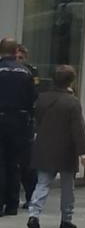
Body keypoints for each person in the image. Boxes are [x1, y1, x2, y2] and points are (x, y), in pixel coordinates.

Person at [26, 65, 85, 228]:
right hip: (66, 148)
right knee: (68, 186)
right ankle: (66, 219)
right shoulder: (72, 102)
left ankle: (34, 214)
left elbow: (37, 120)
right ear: (71, 81)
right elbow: (78, 129)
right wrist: (83, 151)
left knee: (42, 183)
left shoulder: (42, 98)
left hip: (45, 146)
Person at [0, 37, 37, 216]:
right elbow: (32, 99)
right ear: (16, 52)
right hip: (19, 121)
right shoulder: (25, 72)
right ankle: (13, 204)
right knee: (14, 162)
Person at [15, 44, 38, 209]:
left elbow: (34, 95)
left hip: (25, 123)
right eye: (16, 57)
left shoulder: (30, 72)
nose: (18, 61)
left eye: (21, 58)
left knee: (26, 164)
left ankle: (31, 196)